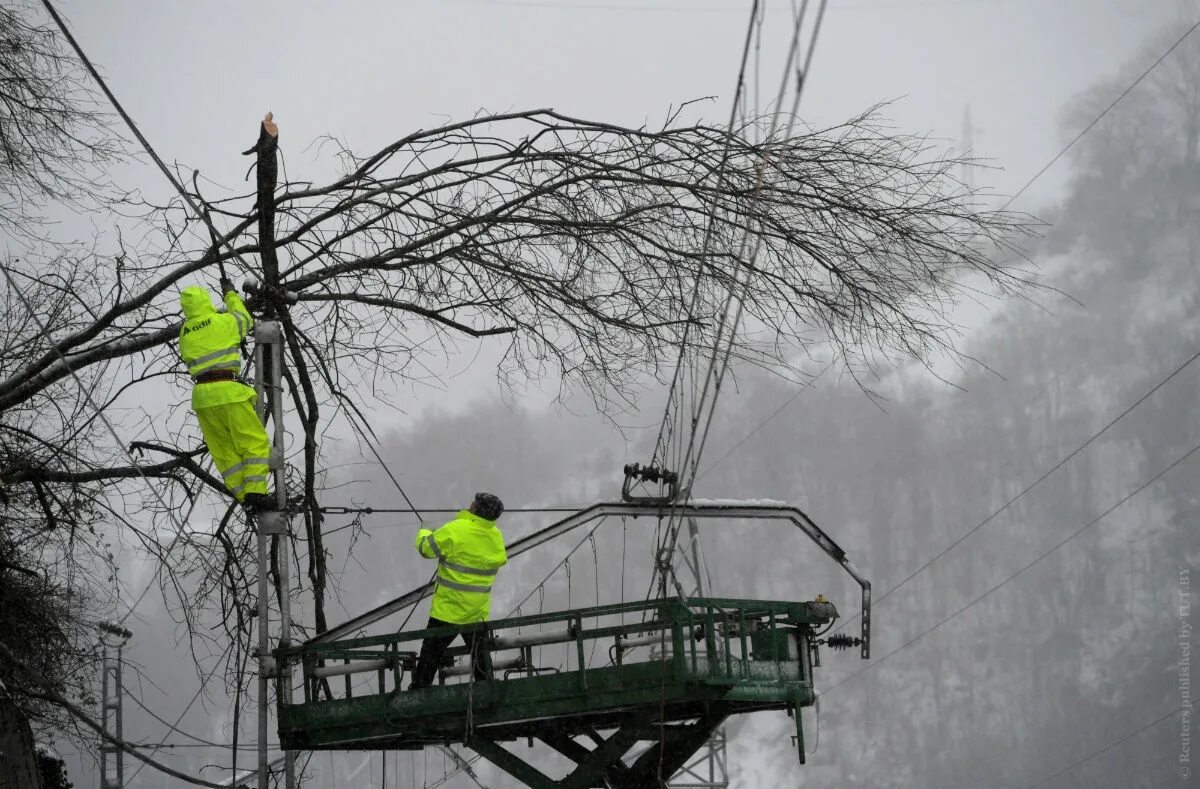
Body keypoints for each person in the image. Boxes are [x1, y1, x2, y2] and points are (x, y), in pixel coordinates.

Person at [178, 279, 272, 510]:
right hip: (228, 391)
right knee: (253, 442)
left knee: (225, 454)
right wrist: (230, 295)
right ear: (206, 301)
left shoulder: (185, 333)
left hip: (202, 398)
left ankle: (247, 498)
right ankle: (256, 492)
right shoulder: (222, 322)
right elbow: (244, 319)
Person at [409, 492, 508, 689]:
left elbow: (425, 548)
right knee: (480, 657)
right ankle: (486, 692)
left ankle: (419, 693)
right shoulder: (496, 537)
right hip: (476, 612)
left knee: (430, 656)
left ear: (476, 509)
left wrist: (425, 531)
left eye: (475, 502)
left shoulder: (457, 529)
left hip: (447, 610)